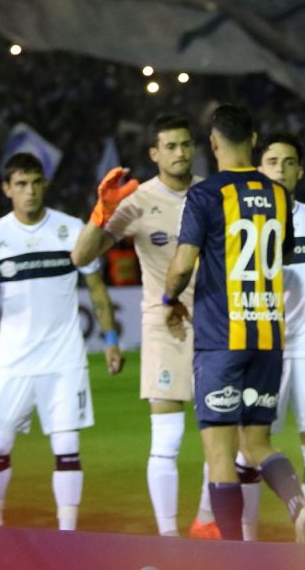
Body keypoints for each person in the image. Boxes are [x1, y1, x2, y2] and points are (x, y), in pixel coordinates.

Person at [161, 105, 305, 542]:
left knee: (221, 455)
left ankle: (232, 554)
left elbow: (183, 264)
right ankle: (299, 505)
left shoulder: (205, 195)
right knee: (258, 443)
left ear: (212, 145)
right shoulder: (279, 195)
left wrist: (169, 300)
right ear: (253, 139)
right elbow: (283, 253)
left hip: (220, 338)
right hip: (267, 336)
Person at [70, 115, 213, 539]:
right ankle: (168, 539)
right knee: (166, 437)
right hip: (163, 324)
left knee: (220, 434)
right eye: (170, 146)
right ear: (154, 153)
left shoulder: (212, 194)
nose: (180, 153)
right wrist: (101, 212)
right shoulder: (137, 200)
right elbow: (80, 257)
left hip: (213, 323)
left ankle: (206, 521)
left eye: (185, 144)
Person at [0, 152, 123, 531]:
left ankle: (67, 532)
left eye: (35, 183)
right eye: (21, 184)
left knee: (67, 447)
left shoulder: (71, 229)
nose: (29, 191)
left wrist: (110, 339)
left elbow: (96, 287)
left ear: (45, 184)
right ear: (7, 189)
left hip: (64, 359)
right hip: (13, 361)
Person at [251, 132, 305, 528]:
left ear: (300, 170)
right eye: (272, 162)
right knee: (249, 447)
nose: (280, 170)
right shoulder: (246, 221)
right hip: (264, 348)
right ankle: (244, 542)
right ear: (259, 169)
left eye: (288, 162)